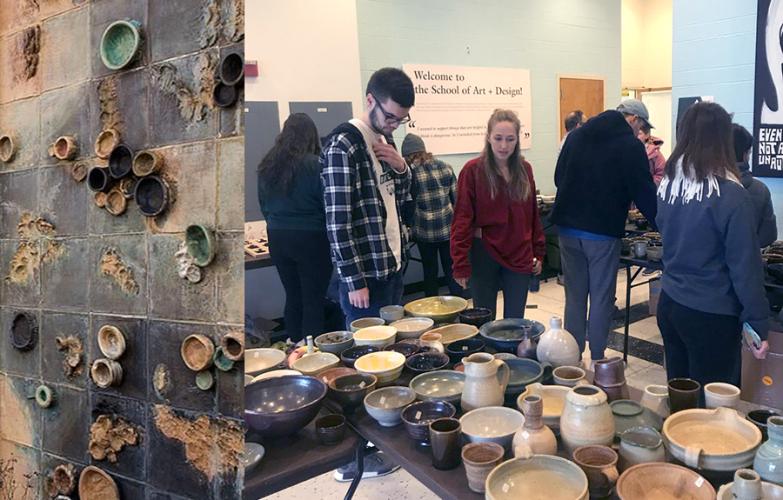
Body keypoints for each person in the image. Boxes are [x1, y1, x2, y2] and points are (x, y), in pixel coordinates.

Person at [656, 102, 770, 386]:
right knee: (712, 413)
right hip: (711, 315)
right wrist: (758, 322)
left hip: (670, 304)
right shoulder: (731, 195)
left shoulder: (669, 186)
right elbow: (746, 269)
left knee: (681, 400)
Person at [551, 99, 658, 363]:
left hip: (567, 229)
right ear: (632, 119)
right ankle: (598, 358)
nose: (641, 134)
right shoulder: (629, 145)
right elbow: (644, 192)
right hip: (601, 233)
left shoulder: (576, 136)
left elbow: (557, 177)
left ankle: (572, 360)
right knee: (601, 297)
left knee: (574, 297)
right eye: (641, 127)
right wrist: (663, 224)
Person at [321, 67, 414, 326]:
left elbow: (401, 198)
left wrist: (402, 168)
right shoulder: (343, 145)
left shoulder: (385, 139)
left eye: (401, 120)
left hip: (391, 266)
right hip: (365, 277)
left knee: (393, 352)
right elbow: (337, 223)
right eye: (390, 117)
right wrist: (353, 280)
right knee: (367, 356)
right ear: (370, 100)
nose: (394, 124)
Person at [451, 109, 545, 320]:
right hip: (485, 252)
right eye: (498, 138)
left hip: (519, 252)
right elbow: (461, 220)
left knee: (515, 321)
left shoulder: (525, 169)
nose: (504, 146)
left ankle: (513, 354)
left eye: (510, 139)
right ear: (488, 137)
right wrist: (460, 263)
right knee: (484, 319)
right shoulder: (473, 170)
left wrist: (538, 251)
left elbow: (532, 215)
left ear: (517, 140)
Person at [257, 113, 332, 343]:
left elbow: (264, 206)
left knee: (293, 294)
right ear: (311, 136)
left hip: (278, 236)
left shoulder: (267, 165)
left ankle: (293, 341)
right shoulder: (315, 164)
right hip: (311, 238)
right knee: (313, 298)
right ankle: (309, 352)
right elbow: (327, 204)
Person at [402, 133, 461, 297]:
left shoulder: (409, 174)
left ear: (407, 155)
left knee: (430, 271)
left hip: (424, 232)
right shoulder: (446, 167)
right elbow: (457, 199)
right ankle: (460, 307)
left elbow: (407, 206)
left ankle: (431, 311)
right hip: (448, 229)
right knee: (452, 269)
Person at [733, 123, 778, 248]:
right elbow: (768, 236)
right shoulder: (760, 189)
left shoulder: (701, 188)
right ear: (745, 154)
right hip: (747, 262)